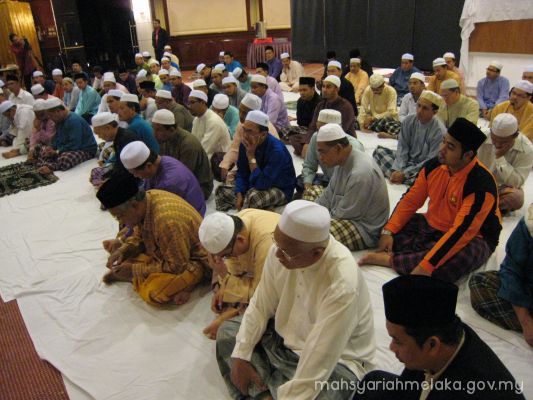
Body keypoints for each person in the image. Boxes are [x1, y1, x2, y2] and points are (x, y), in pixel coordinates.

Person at [216, 200, 375, 399]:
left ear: (316, 253)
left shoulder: (342, 282)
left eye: (286, 252)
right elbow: (260, 305)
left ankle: (262, 391)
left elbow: (321, 355)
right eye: (276, 243)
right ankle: (267, 390)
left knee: (330, 393)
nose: (277, 254)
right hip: (283, 340)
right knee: (228, 333)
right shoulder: (281, 251)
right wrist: (241, 355)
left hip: (336, 361)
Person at [359, 118, 501, 283]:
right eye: (443, 141)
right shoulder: (434, 166)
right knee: (389, 226)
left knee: (456, 260)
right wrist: (388, 231)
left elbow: (461, 232)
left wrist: (426, 266)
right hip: (432, 225)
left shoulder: (480, 185)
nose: (442, 149)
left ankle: (393, 260)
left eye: (450, 147)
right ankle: (416, 257)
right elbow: (411, 200)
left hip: (474, 237)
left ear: (468, 155)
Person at [356, 275, 525, 400]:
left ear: (432, 345)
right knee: (373, 382)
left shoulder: (475, 390)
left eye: (398, 341)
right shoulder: (449, 335)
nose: (391, 348)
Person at [96, 173, 208, 306]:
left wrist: (134, 270)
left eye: (120, 216)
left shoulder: (166, 221)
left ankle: (188, 283)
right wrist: (123, 251)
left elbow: (177, 266)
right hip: (169, 249)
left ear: (134, 205)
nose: (121, 222)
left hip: (193, 260)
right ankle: (135, 275)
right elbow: (139, 235)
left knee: (154, 292)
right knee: (129, 255)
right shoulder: (147, 199)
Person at [199, 210, 280, 339]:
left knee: (231, 331)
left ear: (240, 240)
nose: (226, 258)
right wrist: (223, 286)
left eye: (226, 255)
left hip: (278, 279)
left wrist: (232, 312)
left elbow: (262, 294)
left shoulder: (268, 246)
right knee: (217, 277)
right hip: (254, 272)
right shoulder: (234, 224)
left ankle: (235, 314)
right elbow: (233, 266)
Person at [309, 123, 389, 250]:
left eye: (322, 152)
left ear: (338, 148)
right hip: (340, 212)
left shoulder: (360, 173)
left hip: (362, 228)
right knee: (311, 193)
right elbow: (328, 195)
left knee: (313, 236)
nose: (320, 158)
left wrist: (314, 221)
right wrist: (310, 213)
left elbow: (345, 215)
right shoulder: (342, 161)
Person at [470, 203, 533, 348]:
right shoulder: (529, 222)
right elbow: (511, 268)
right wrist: (525, 321)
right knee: (480, 283)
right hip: (527, 293)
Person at [215, 110, 295, 211]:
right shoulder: (245, 143)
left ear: (263, 134)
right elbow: (242, 172)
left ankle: (252, 207)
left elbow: (262, 184)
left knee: (253, 197)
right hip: (253, 183)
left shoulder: (277, 151)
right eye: (244, 130)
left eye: (249, 131)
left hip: (279, 188)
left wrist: (251, 156)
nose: (245, 135)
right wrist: (239, 193)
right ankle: (260, 207)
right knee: (221, 190)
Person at [373, 90, 445, 186]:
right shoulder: (409, 120)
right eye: (418, 106)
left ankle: (401, 177)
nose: (419, 111)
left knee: (434, 176)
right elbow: (402, 147)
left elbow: (431, 160)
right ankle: (399, 176)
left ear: (434, 112)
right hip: (407, 160)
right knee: (378, 152)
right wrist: (398, 168)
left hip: (422, 166)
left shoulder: (439, 131)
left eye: (425, 108)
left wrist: (405, 173)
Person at [120, 141, 206, 216]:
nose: (135, 176)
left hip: (192, 217)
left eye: (135, 173)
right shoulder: (162, 161)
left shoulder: (169, 183)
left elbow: (154, 210)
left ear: (148, 166)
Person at [300, 109, 363, 199]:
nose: (321, 134)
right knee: (300, 181)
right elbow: (309, 166)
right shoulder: (316, 137)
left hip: (343, 187)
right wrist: (308, 188)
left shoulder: (353, 147)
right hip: (328, 180)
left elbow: (350, 185)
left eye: (325, 130)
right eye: (319, 129)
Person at [218, 93, 279, 185]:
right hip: (247, 160)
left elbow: (264, 161)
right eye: (240, 111)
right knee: (219, 162)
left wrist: (235, 172)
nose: (240, 115)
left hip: (262, 168)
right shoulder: (242, 124)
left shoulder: (266, 130)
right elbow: (235, 148)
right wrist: (225, 164)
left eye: (245, 113)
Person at [152, 109, 213, 199]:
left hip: (199, 186)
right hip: (175, 178)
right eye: (154, 129)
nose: (154, 134)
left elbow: (183, 176)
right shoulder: (164, 138)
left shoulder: (188, 144)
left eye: (158, 130)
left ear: (171, 129)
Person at [477, 113, 533, 212]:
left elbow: (516, 183)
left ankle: (485, 207)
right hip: (476, 182)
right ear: (491, 132)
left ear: (515, 136)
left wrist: (500, 158)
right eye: (494, 139)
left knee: (516, 198)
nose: (497, 144)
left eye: (503, 142)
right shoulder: (481, 136)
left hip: (500, 188)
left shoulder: (527, 149)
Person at [290, 75, 356, 157]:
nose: (324, 90)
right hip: (321, 136)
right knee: (294, 138)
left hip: (340, 140)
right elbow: (313, 126)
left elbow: (341, 131)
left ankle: (315, 154)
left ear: (337, 89)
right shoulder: (321, 105)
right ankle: (317, 153)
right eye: (323, 86)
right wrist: (307, 142)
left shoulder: (346, 106)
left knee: (331, 147)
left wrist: (317, 141)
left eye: (328, 87)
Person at [35, 97, 97, 174]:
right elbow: (57, 138)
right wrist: (51, 148)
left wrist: (57, 151)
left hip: (84, 149)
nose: (51, 119)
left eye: (51, 116)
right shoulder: (59, 121)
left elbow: (75, 144)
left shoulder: (73, 120)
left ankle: (51, 166)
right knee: (41, 149)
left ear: (58, 111)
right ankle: (48, 164)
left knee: (66, 158)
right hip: (65, 148)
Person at [90, 112, 139, 184]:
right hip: (125, 172)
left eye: (99, 133)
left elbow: (127, 170)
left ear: (108, 128)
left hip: (135, 176)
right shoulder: (118, 136)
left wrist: (108, 181)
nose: (99, 137)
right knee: (96, 172)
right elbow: (119, 163)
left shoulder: (125, 139)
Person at [189, 90, 231, 159]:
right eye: (189, 103)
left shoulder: (214, 121)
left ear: (203, 103)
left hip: (220, 160)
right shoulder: (196, 119)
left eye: (192, 102)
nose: (189, 106)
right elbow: (194, 144)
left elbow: (205, 150)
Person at [279, 77, 321, 141]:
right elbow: (299, 122)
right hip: (303, 128)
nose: (301, 93)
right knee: (282, 131)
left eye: (304, 90)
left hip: (315, 131)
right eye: (300, 90)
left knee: (292, 136)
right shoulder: (300, 101)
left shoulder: (320, 103)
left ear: (313, 89)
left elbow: (315, 125)